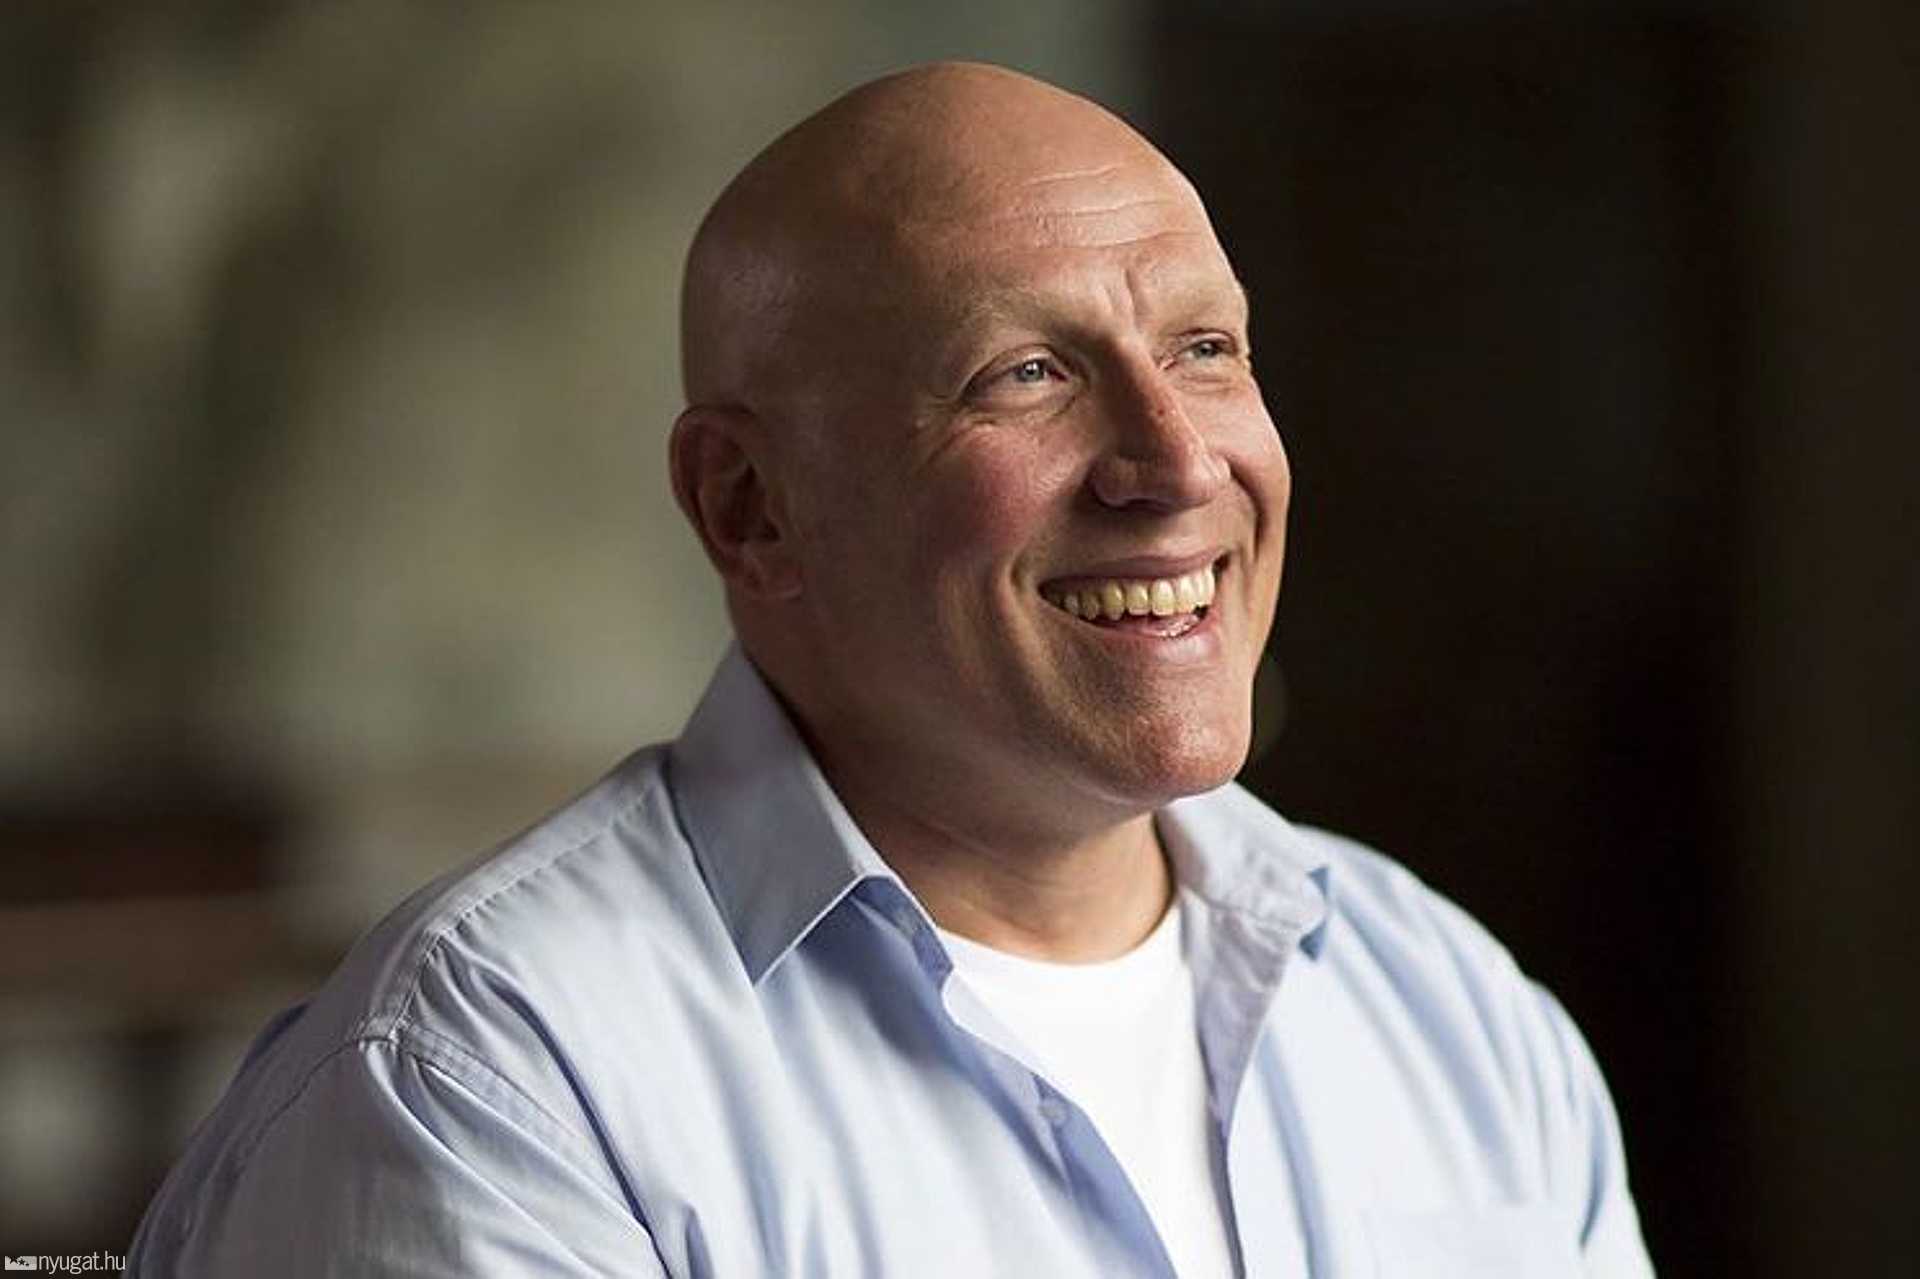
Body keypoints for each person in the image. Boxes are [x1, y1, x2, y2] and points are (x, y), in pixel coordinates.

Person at [129, 62, 1654, 1277]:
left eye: (1206, 350)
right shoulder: (495, 1089)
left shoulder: (1448, 1012)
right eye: (1028, 374)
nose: (1180, 464)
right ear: (750, 506)